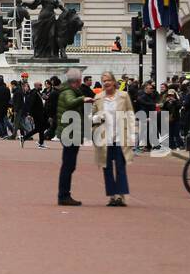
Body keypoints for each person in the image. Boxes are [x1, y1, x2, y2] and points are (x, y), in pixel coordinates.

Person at [91, 73, 135, 206]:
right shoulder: (98, 98)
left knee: (121, 167)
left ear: (114, 82)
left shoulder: (124, 96)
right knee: (107, 167)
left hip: (120, 136)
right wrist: (98, 118)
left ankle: (121, 195)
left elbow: (130, 114)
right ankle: (111, 195)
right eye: (104, 81)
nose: (106, 83)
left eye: (108, 80)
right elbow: (91, 117)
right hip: (105, 138)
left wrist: (133, 135)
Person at [55, 70, 88, 205]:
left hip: (69, 132)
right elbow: (69, 102)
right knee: (68, 165)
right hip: (70, 132)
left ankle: (64, 194)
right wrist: (83, 99)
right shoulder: (69, 92)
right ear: (78, 81)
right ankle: (63, 195)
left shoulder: (67, 90)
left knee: (69, 164)